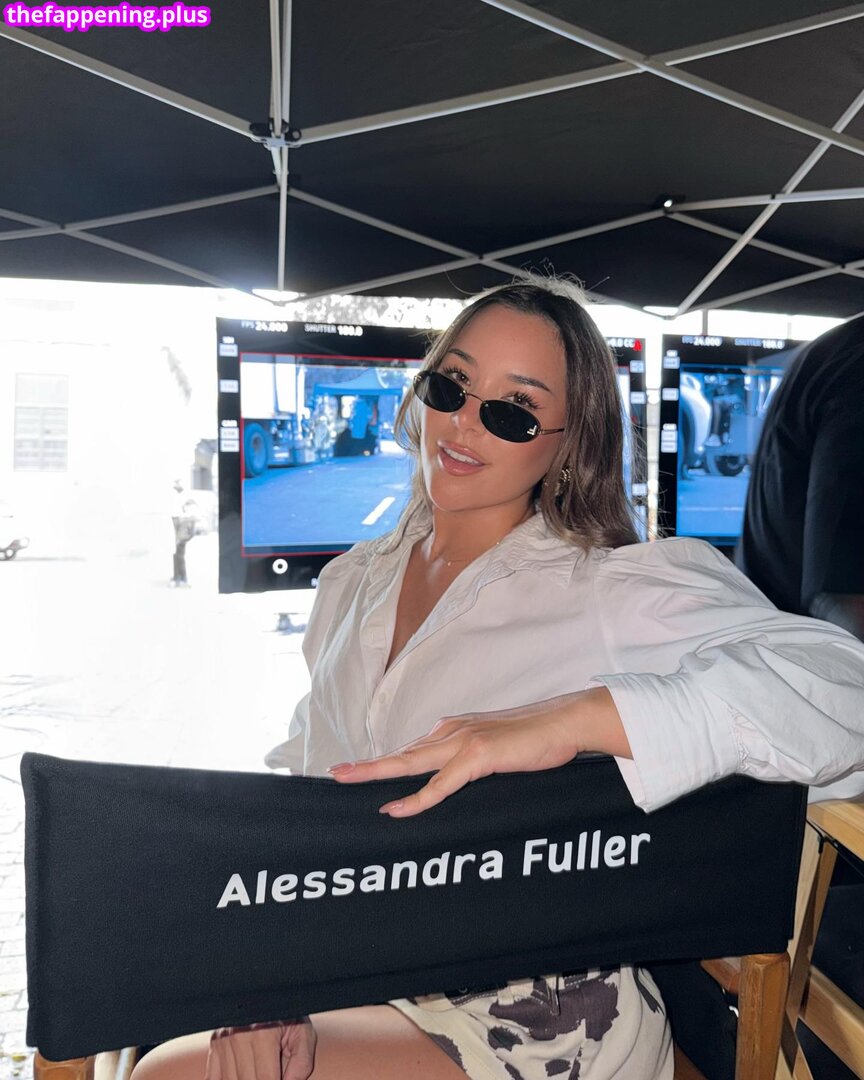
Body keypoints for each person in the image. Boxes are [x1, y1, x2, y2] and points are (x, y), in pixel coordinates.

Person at [134, 281, 864, 1080]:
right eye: (452, 386)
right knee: (145, 1013)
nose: (463, 423)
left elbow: (844, 689)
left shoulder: (607, 590)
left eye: (514, 410)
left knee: (170, 1073)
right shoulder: (352, 582)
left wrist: (576, 720)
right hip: (363, 961)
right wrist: (266, 975)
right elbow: (307, 787)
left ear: (568, 442)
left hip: (533, 1004)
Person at [736, 313, 864, 638]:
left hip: (773, 636)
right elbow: (845, 599)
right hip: (815, 656)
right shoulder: (857, 370)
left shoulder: (839, 348)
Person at [170, 479, 197, 588]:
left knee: (180, 553)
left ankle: (182, 579)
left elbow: (190, 515)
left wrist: (188, 529)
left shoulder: (185, 497)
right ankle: (177, 577)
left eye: (177, 484)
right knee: (177, 553)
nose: (175, 486)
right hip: (179, 525)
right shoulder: (177, 497)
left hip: (183, 526)